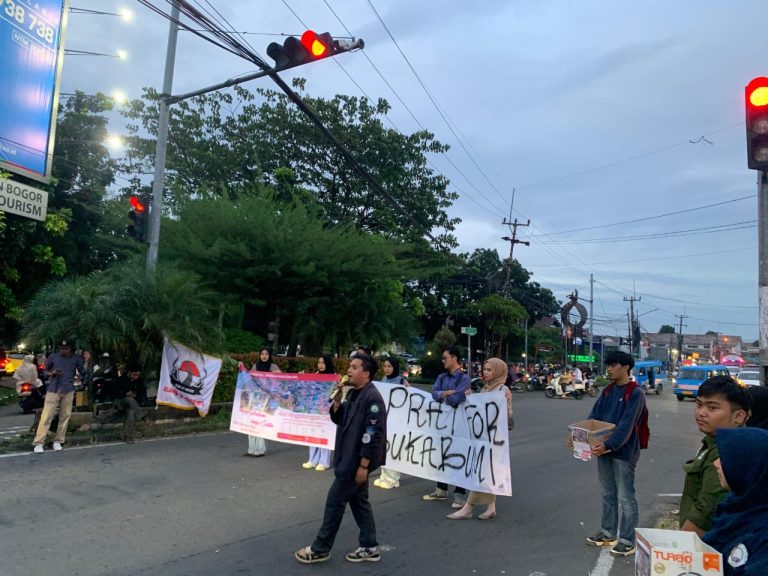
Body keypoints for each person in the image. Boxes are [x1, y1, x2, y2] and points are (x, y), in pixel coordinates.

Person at [295, 354, 387, 564]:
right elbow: (340, 419)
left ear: (366, 373)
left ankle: (320, 548)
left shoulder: (372, 399)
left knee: (334, 502)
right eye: (349, 366)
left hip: (355, 462)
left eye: (354, 367)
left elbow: (372, 434)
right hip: (347, 456)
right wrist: (337, 401)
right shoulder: (353, 394)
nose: (349, 370)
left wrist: (364, 465)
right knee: (359, 502)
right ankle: (369, 546)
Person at [581, 351, 645, 557]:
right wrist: (584, 438)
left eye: (613, 365)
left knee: (626, 497)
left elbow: (626, 426)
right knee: (608, 494)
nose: (608, 368)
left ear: (626, 367)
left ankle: (627, 540)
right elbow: (594, 417)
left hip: (623, 452)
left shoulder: (635, 393)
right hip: (603, 450)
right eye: (608, 365)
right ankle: (608, 532)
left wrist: (608, 445)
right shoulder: (608, 391)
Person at [679, 376, 750, 536]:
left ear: (738, 416)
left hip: (706, 544)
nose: (701, 413)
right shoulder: (713, 441)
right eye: (699, 405)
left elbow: (707, 509)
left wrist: (681, 546)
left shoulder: (727, 451)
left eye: (712, 408)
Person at [447, 357, 512, 520]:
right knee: (487, 473)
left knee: (482, 473)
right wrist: (470, 398)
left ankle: (467, 507)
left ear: (498, 371)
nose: (485, 372)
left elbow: (509, 417)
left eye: (490, 370)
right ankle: (491, 508)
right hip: (482, 438)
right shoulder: (486, 388)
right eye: (485, 369)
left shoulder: (503, 390)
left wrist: (506, 405)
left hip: (495, 440)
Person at [703, 427, 768, 575]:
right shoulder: (737, 506)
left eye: (726, 459)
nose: (716, 463)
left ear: (750, 467)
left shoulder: (762, 535)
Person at [422, 345, 470, 509]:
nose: (443, 361)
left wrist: (448, 395)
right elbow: (434, 393)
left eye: (445, 358)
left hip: (458, 425)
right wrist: (445, 393)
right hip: (441, 423)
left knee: (457, 455)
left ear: (454, 358)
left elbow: (457, 398)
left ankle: (460, 495)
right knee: (440, 454)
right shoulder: (441, 377)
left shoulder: (464, 378)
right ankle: (441, 490)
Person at [33, 340, 85, 453]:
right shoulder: (53, 357)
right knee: (46, 416)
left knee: (64, 416)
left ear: (70, 349)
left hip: (68, 389)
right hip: (53, 389)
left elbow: (82, 371)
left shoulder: (76, 358)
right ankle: (38, 442)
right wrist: (51, 373)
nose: (63, 350)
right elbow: (44, 371)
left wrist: (79, 377)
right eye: (61, 348)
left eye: (66, 348)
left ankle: (59, 441)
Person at [373, 356, 409, 490]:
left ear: (395, 367)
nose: (387, 369)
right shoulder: (383, 380)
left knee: (393, 448)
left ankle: (393, 479)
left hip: (397, 420)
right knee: (384, 448)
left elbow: (409, 397)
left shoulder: (401, 381)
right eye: (385, 366)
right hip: (384, 418)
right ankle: (384, 476)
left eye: (390, 366)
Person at [303, 354, 336, 471]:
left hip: (327, 411)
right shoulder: (315, 375)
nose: (321, 365)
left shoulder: (334, 377)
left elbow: (335, 395)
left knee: (324, 435)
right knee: (313, 434)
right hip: (315, 410)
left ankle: (324, 462)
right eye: (319, 363)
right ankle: (312, 460)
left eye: (323, 363)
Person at [247, 348, 281, 457]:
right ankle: (251, 449)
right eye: (262, 354)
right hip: (256, 398)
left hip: (268, 399)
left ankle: (260, 450)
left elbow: (280, 379)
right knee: (252, 423)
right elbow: (250, 379)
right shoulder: (255, 366)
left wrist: (273, 374)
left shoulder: (273, 367)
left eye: (266, 354)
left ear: (269, 355)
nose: (264, 356)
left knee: (261, 423)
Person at [113, 363, 150, 443]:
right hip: (120, 402)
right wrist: (125, 394)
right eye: (134, 374)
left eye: (137, 375)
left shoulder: (139, 381)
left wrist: (136, 396)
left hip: (133, 405)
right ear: (129, 372)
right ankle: (143, 417)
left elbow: (142, 394)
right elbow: (115, 394)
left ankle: (127, 436)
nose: (135, 377)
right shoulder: (121, 380)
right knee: (129, 399)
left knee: (131, 413)